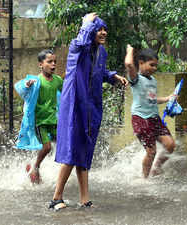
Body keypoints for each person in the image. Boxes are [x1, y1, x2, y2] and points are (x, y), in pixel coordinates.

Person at [49, 13, 128, 210]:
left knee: (85, 149)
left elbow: (98, 73)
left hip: (92, 105)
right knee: (73, 149)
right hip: (75, 103)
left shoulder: (102, 52)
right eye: (99, 29)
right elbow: (82, 42)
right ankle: (56, 198)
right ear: (90, 30)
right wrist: (86, 22)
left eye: (104, 29)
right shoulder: (78, 47)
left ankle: (84, 199)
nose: (103, 33)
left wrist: (113, 76)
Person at [124, 44, 176, 178]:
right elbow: (129, 64)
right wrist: (130, 50)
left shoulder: (152, 80)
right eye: (152, 65)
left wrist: (167, 98)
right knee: (151, 151)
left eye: (155, 65)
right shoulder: (136, 79)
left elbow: (151, 99)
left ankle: (156, 169)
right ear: (141, 63)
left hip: (154, 118)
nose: (155, 68)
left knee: (170, 145)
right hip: (141, 119)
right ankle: (145, 179)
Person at [14, 49, 63, 184]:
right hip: (39, 121)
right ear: (41, 64)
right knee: (47, 147)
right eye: (49, 62)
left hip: (53, 119)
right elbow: (20, 87)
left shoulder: (57, 80)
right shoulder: (35, 80)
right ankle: (35, 167)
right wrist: (27, 85)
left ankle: (55, 170)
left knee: (64, 143)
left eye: (55, 62)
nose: (53, 64)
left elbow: (67, 92)